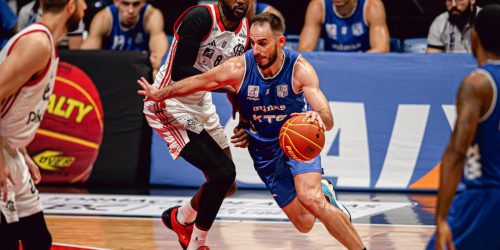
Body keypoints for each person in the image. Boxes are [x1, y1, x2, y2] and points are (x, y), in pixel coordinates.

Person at [138, 13, 367, 249]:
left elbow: (327, 118)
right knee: (305, 223)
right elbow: (200, 81)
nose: (256, 50)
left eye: (263, 43)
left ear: (280, 42)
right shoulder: (240, 67)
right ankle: (325, 192)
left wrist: (318, 117)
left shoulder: (300, 69)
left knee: (312, 199)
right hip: (265, 150)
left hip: (296, 140)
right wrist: (160, 93)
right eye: (253, 42)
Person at [143, 1, 250, 249]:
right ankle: (196, 243)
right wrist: (224, 84)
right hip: (168, 103)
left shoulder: (246, 31)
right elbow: (180, 71)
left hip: (201, 104)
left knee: (227, 184)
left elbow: (241, 81)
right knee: (223, 173)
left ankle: (181, 218)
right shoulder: (201, 17)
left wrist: (243, 120)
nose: (241, 1)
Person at [0, 0, 86, 248]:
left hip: (9, 149)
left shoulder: (43, 41)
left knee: (37, 240)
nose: (86, 9)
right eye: (82, 3)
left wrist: (19, 148)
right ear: (71, 5)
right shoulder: (37, 43)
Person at [426, 4, 500, 250]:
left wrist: (441, 218)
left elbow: (457, 153)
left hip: (484, 199)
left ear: (475, 38)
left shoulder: (478, 84)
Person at [81, 0, 167, 76]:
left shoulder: (152, 16)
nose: (131, 10)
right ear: (116, 2)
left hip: (141, 73)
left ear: (143, 2)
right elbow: (85, 58)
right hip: (112, 71)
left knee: (157, 71)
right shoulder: (103, 19)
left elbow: (159, 61)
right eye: (125, 4)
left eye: (136, 4)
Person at [298, 0, 389, 52]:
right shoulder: (318, 6)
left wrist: (353, 63)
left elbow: (381, 49)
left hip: (363, 65)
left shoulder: (372, 6)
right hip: (332, 65)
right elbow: (305, 50)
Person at [17, 0, 86, 49]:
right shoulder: (41, 43)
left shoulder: (45, 41)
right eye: (82, 1)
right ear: (71, 6)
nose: (85, 6)